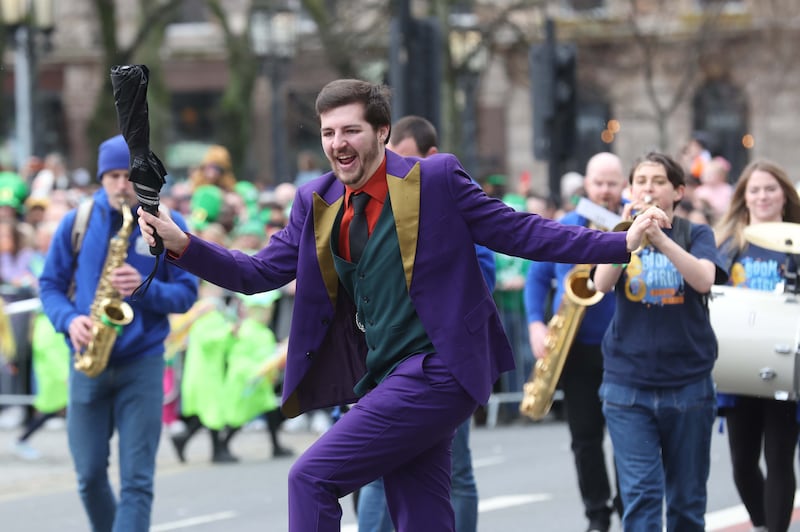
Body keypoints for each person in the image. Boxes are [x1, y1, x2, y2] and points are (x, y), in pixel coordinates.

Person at [137, 79, 661, 532]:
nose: (337, 144)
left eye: (350, 131)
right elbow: (256, 274)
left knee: (311, 477)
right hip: (385, 376)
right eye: (327, 133)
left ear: (382, 132)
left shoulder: (434, 180)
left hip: (439, 369)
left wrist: (619, 243)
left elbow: (520, 232)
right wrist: (182, 243)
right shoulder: (314, 202)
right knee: (422, 516)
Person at [38, 134, 198, 532]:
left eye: (128, 175)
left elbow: (186, 295)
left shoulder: (167, 222)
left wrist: (145, 289)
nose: (120, 184)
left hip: (141, 365)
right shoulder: (78, 221)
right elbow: (49, 286)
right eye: (111, 175)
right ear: (100, 178)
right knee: (89, 476)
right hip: (88, 360)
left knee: (137, 481)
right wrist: (69, 320)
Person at [355, 114, 496, 532]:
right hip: (387, 363)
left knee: (456, 474)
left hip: (443, 363)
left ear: (430, 158)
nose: (394, 169)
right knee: (379, 476)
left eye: (406, 159)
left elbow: (480, 274)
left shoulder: (444, 196)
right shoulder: (372, 207)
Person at [592, 152, 728, 531]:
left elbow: (703, 280)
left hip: (688, 385)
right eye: (641, 181)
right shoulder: (620, 232)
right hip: (627, 387)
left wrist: (660, 239)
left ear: (678, 191)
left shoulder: (695, 233)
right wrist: (628, 236)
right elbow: (600, 285)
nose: (648, 188)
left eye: (658, 182)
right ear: (630, 189)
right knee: (642, 497)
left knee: (686, 502)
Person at [523, 152, 626, 532]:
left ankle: (628, 509)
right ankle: (597, 516)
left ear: (622, 184)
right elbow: (536, 278)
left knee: (627, 438)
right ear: (587, 184)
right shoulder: (567, 224)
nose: (604, 190)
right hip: (576, 347)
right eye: (598, 183)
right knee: (585, 438)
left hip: (623, 348)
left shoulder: (630, 223)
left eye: (611, 183)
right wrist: (535, 324)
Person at [714, 160, 800, 532]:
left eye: (770, 189)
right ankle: (764, 523)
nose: (763, 196)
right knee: (742, 463)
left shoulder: (797, 241)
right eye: (755, 190)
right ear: (743, 197)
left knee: (779, 457)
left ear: (784, 195)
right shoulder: (728, 244)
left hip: (786, 365)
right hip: (739, 364)